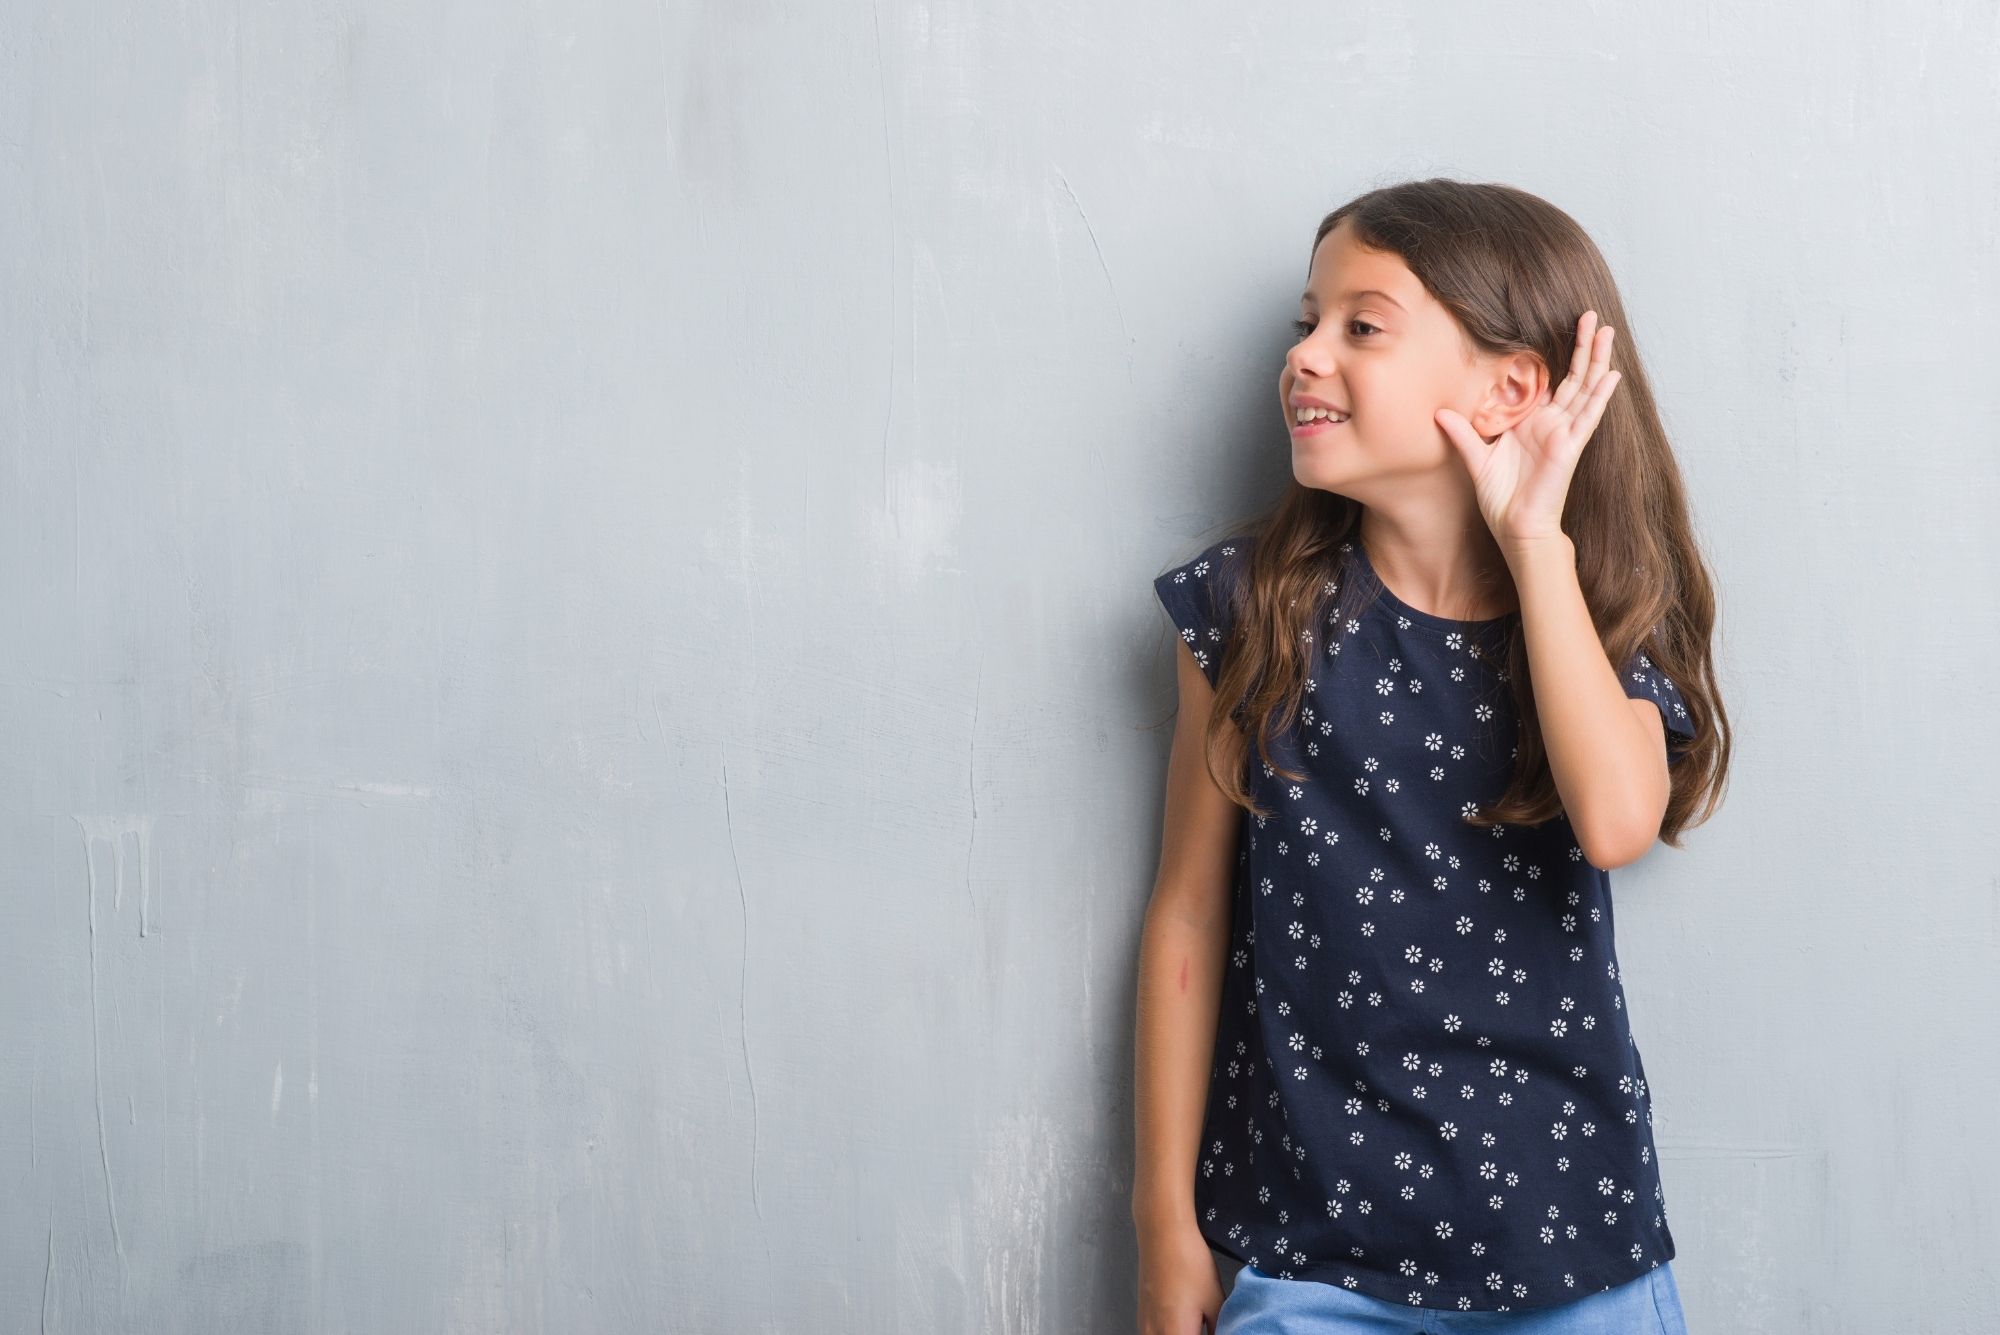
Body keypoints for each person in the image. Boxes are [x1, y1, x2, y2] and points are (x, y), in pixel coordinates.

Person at [1132, 179, 1732, 1334]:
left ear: (1510, 390)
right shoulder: (1246, 610)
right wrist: (1166, 1227)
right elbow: (1187, 915)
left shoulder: (1593, 619)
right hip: (1304, 1258)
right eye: (1304, 323)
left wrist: (1532, 544)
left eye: (1360, 327)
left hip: (1570, 1262)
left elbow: (1614, 823)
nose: (1305, 356)